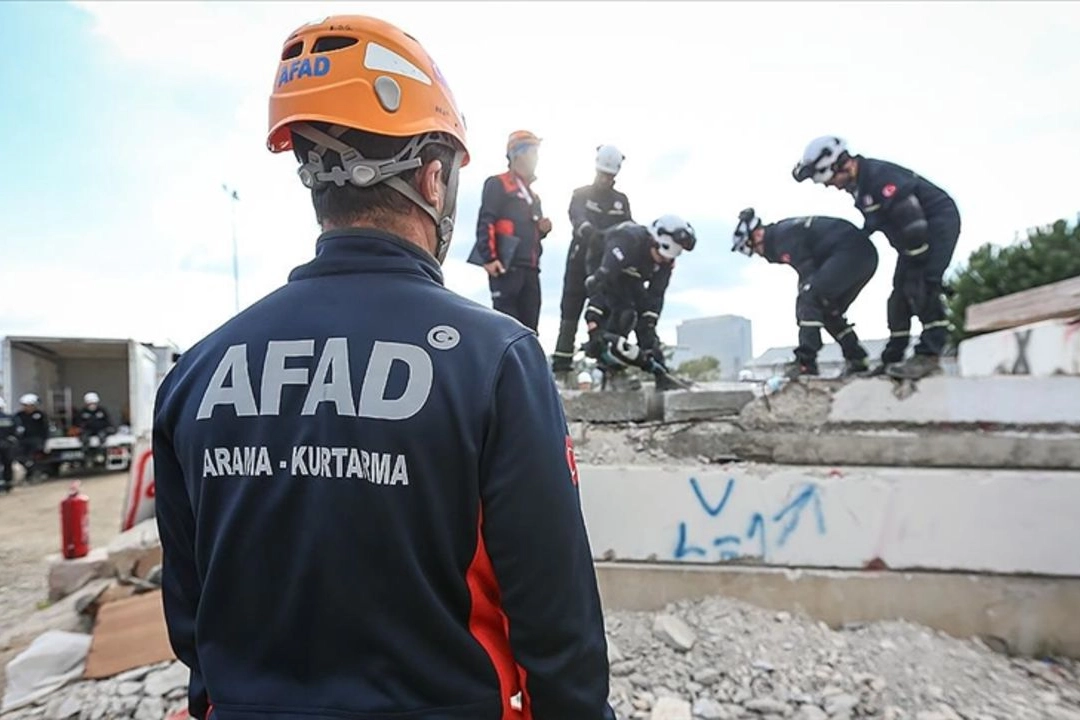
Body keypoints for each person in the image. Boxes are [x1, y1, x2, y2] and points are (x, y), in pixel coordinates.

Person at [152, 15, 614, 720]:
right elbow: (557, 629)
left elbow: (192, 622)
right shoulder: (497, 362)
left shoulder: (196, 373)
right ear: (433, 179)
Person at [793, 136, 962, 379]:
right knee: (898, 297)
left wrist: (917, 261)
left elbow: (911, 219)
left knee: (921, 284)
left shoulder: (878, 176)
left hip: (934, 226)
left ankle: (929, 355)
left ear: (844, 164)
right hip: (910, 239)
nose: (832, 186)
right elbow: (879, 220)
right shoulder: (861, 186)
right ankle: (893, 358)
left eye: (831, 179)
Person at [732, 207, 879, 378]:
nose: (756, 254)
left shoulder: (783, 239)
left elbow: (807, 276)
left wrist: (805, 304)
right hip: (862, 255)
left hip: (850, 253)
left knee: (809, 300)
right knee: (827, 309)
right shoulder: (783, 234)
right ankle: (857, 358)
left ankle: (805, 362)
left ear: (757, 235)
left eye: (752, 249)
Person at [583, 215, 696, 390]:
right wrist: (593, 322)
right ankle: (613, 372)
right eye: (659, 256)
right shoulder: (627, 240)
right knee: (623, 315)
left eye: (667, 259)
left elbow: (655, 297)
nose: (662, 261)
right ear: (654, 241)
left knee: (644, 320)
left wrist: (649, 333)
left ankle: (663, 373)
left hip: (631, 276)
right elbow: (598, 284)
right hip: (601, 267)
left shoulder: (666, 262)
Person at [551, 145, 633, 382]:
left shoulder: (621, 201)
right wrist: (589, 232)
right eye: (602, 174)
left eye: (610, 175)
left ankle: (612, 368)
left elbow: (627, 228)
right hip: (579, 261)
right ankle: (562, 369)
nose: (605, 179)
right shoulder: (581, 194)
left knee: (607, 314)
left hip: (608, 266)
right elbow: (577, 216)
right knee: (570, 312)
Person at [471, 130, 552, 332]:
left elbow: (532, 231)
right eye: (533, 151)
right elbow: (486, 219)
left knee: (530, 331)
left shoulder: (534, 196)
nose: (537, 158)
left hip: (531, 269)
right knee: (506, 329)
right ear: (518, 153)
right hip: (506, 267)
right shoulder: (497, 183)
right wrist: (489, 258)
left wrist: (543, 229)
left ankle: (528, 364)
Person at [14, 394, 49, 468]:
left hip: (37, 439)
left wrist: (45, 440)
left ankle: (36, 471)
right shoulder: (19, 415)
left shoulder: (40, 415)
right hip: (23, 440)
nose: (28, 407)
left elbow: (45, 427)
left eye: (30, 405)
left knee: (37, 456)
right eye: (25, 405)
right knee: (19, 456)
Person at [0, 398, 17, 493]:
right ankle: (8, 483)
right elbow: (15, 431)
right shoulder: (10, 418)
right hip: (7, 445)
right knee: (7, 464)